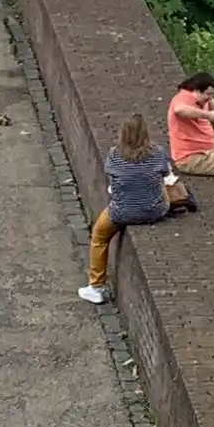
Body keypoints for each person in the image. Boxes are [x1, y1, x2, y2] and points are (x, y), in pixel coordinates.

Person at [78, 113, 175, 304]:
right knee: (160, 184)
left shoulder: (114, 155)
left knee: (99, 236)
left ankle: (96, 286)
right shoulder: (158, 153)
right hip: (155, 210)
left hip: (121, 212)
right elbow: (166, 173)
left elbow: (112, 177)